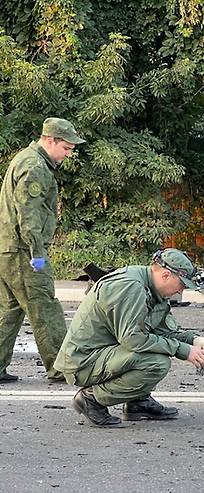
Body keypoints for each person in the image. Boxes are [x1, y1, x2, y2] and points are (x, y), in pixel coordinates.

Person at [54, 248, 204, 427]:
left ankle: (138, 402)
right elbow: (133, 339)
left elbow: (163, 331)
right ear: (166, 275)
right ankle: (91, 399)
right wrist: (183, 351)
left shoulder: (153, 289)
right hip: (83, 362)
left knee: (155, 349)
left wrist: (194, 340)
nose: (180, 291)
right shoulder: (132, 287)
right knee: (156, 363)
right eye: (182, 284)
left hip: (103, 354)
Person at [0, 118, 85, 383]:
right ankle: (62, 368)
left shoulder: (25, 159)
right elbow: (29, 213)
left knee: (9, 310)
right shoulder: (35, 166)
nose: (68, 154)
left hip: (9, 249)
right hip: (24, 251)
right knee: (45, 308)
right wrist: (37, 252)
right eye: (67, 148)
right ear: (50, 140)